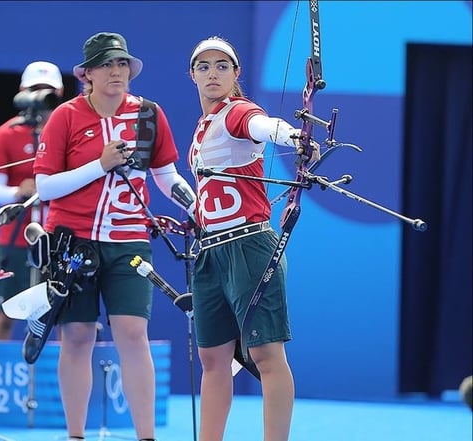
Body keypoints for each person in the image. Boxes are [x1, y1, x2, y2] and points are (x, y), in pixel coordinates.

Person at [34, 32, 196, 441]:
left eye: (122, 63)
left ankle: (146, 436)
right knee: (76, 336)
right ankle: (75, 435)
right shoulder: (65, 116)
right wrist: (100, 165)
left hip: (129, 243)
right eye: (106, 65)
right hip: (72, 244)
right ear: (87, 74)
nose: (116, 71)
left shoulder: (149, 115)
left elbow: (166, 176)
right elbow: (45, 186)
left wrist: (200, 211)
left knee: (133, 334)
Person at [187, 36, 318, 441]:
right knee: (213, 359)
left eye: (222, 66)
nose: (213, 73)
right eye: (204, 66)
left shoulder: (237, 111)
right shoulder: (203, 126)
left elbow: (262, 125)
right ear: (192, 75)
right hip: (210, 251)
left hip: (249, 247)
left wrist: (295, 138)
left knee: (265, 354)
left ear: (236, 74)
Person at [0, 61, 64, 340]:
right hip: (16, 240)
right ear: (22, 93)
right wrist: (18, 191)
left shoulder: (70, 131)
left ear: (60, 92)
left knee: (68, 320)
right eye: (35, 90)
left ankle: (68, 384)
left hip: (59, 235)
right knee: (5, 316)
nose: (41, 98)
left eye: (48, 91)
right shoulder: (7, 133)